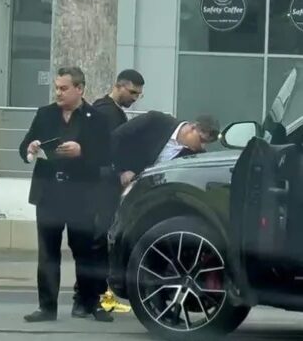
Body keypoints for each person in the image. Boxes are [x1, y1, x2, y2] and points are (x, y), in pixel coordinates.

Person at [20, 66, 113, 323]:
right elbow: (24, 146)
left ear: (79, 89)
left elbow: (106, 156)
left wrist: (82, 152)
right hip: (49, 194)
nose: (58, 93)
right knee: (48, 253)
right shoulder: (45, 114)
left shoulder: (96, 118)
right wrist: (30, 149)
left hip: (81, 195)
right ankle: (46, 307)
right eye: (56, 88)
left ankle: (87, 303)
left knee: (84, 251)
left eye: (64, 88)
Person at [89, 69, 145, 314]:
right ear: (119, 86)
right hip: (102, 187)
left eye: (138, 94)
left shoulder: (112, 111)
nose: (135, 97)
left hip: (105, 185)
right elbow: (105, 151)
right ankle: (95, 297)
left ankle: (95, 296)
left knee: (100, 242)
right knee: (99, 241)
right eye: (132, 92)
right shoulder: (107, 113)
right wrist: (119, 171)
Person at [112, 111, 220, 187]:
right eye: (202, 140)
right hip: (117, 181)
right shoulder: (156, 121)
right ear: (193, 127)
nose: (203, 146)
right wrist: (121, 170)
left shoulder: (196, 156)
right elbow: (118, 137)